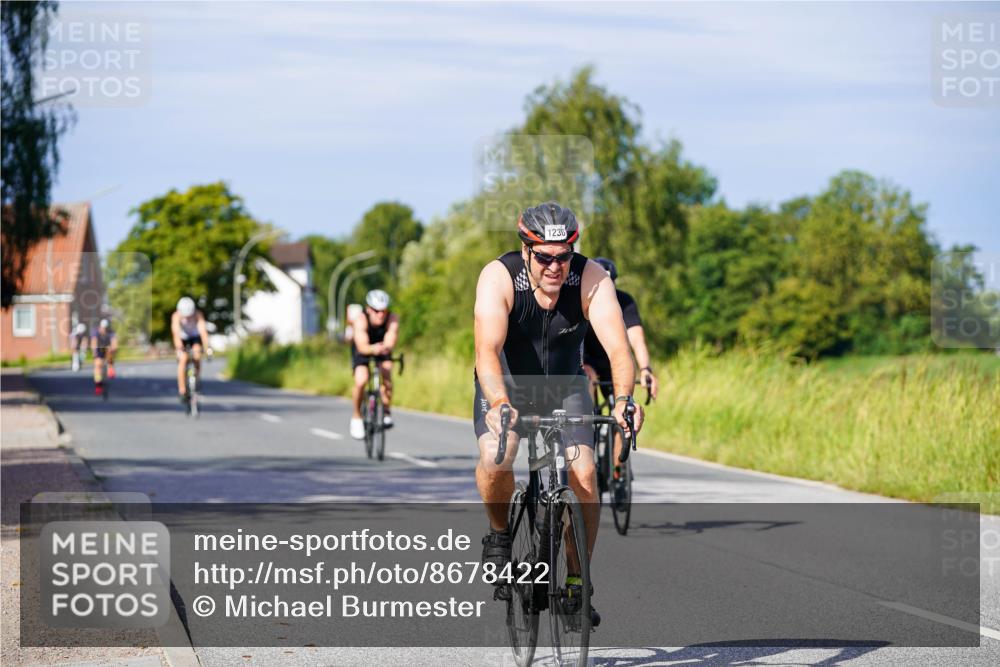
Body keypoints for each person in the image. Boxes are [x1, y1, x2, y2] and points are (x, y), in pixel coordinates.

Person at [473, 202, 644, 625]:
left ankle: (575, 582)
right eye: (544, 257)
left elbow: (619, 349)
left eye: (563, 256)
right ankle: (498, 533)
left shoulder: (591, 278)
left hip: (566, 387)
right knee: (500, 453)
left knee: (585, 476)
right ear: (526, 250)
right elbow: (487, 351)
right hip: (506, 385)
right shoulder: (499, 277)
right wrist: (498, 404)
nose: (554, 266)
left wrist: (623, 399)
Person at [581, 257, 659, 502]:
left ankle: (617, 473)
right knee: (588, 378)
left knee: (620, 419)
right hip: (589, 361)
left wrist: (646, 368)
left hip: (616, 363)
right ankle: (588, 432)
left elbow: (636, 339)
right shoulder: (583, 295)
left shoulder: (624, 302)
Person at [349, 289, 400, 440]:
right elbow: (362, 345)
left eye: (384, 311)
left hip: (382, 347)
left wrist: (385, 347)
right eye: (377, 311)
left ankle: (386, 411)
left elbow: (390, 339)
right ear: (368, 309)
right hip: (363, 348)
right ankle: (357, 416)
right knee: (361, 380)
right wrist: (372, 349)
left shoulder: (392, 318)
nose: (381, 314)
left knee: (387, 372)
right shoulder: (360, 319)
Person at [171, 297, 210, 404]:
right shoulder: (176, 316)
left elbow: (203, 332)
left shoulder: (198, 314)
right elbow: (176, 334)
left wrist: (207, 347)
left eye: (189, 316)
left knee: (197, 354)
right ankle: (182, 390)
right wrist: (179, 348)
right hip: (182, 338)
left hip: (194, 336)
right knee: (183, 359)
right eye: (185, 316)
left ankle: (196, 380)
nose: (188, 319)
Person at [91, 319, 117, 395]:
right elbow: (94, 342)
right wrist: (94, 352)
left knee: (109, 350)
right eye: (103, 328)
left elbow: (114, 342)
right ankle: (98, 384)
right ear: (100, 327)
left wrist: (114, 349)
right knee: (97, 365)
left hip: (108, 349)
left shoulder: (111, 332)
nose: (104, 330)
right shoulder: (96, 332)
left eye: (106, 328)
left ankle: (110, 368)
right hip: (99, 349)